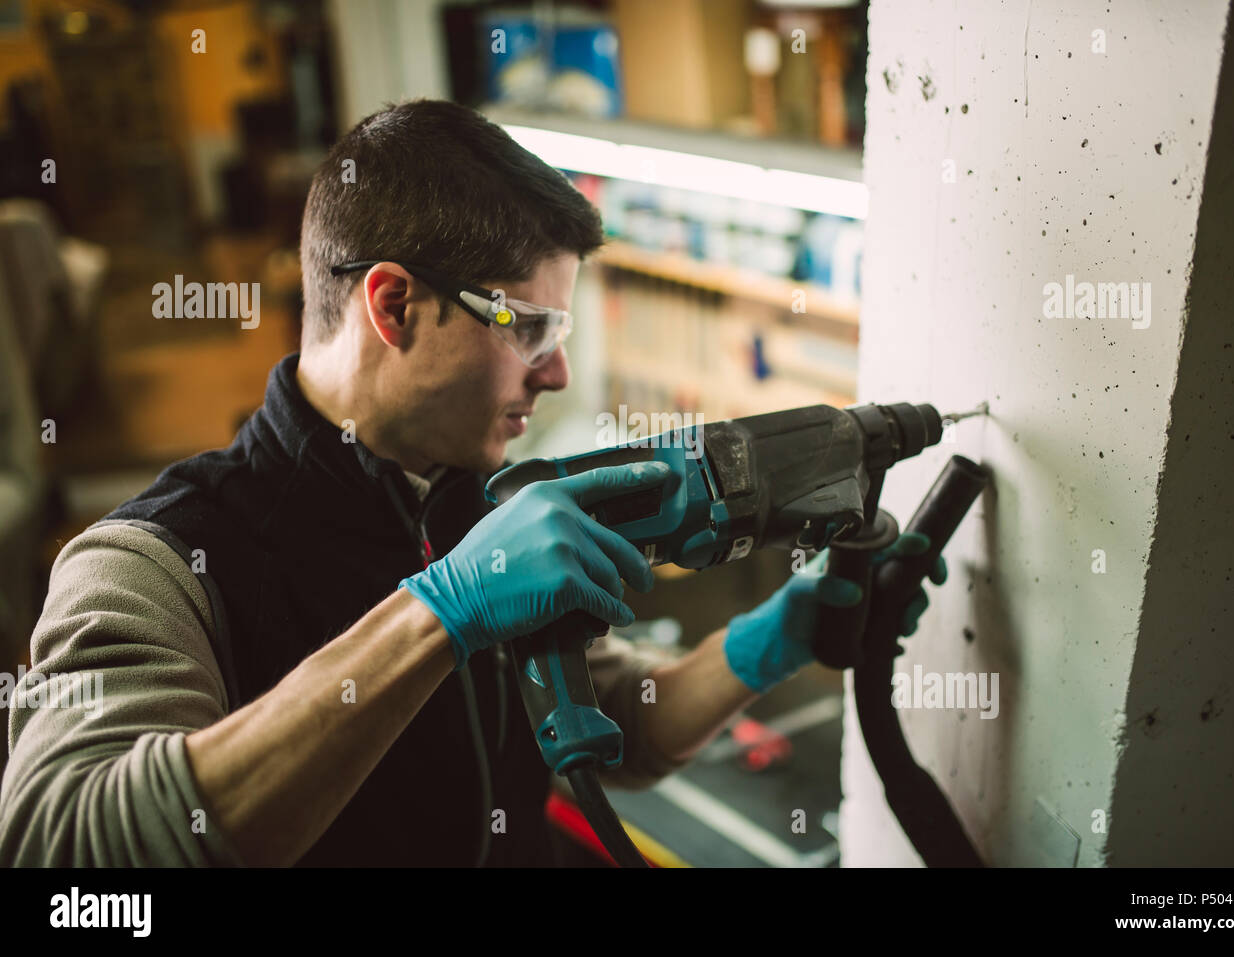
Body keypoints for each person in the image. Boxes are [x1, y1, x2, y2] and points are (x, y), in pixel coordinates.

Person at [0, 100, 945, 866]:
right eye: (530, 329)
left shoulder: (464, 500)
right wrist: (438, 613)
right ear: (395, 303)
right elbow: (68, 852)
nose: (558, 374)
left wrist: (769, 642)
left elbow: (613, 727)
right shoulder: (152, 562)